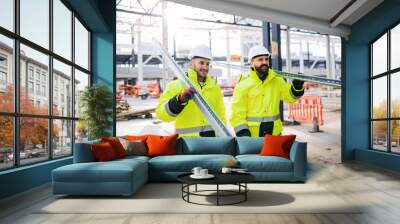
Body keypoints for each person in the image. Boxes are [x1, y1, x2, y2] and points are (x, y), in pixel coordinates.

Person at [230, 45, 305, 137]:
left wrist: (297, 87)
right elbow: (237, 113)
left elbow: (290, 97)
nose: (264, 62)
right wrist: (243, 133)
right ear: (251, 63)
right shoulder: (243, 85)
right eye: (260, 60)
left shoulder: (277, 80)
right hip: (252, 137)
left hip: (274, 135)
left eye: (266, 59)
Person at [156, 44, 226, 137]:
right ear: (191, 63)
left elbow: (221, 117)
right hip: (187, 144)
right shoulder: (176, 86)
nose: (205, 67)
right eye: (201, 63)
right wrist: (178, 101)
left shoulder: (214, 87)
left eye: (207, 64)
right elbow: (161, 115)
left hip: (212, 143)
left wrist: (223, 140)